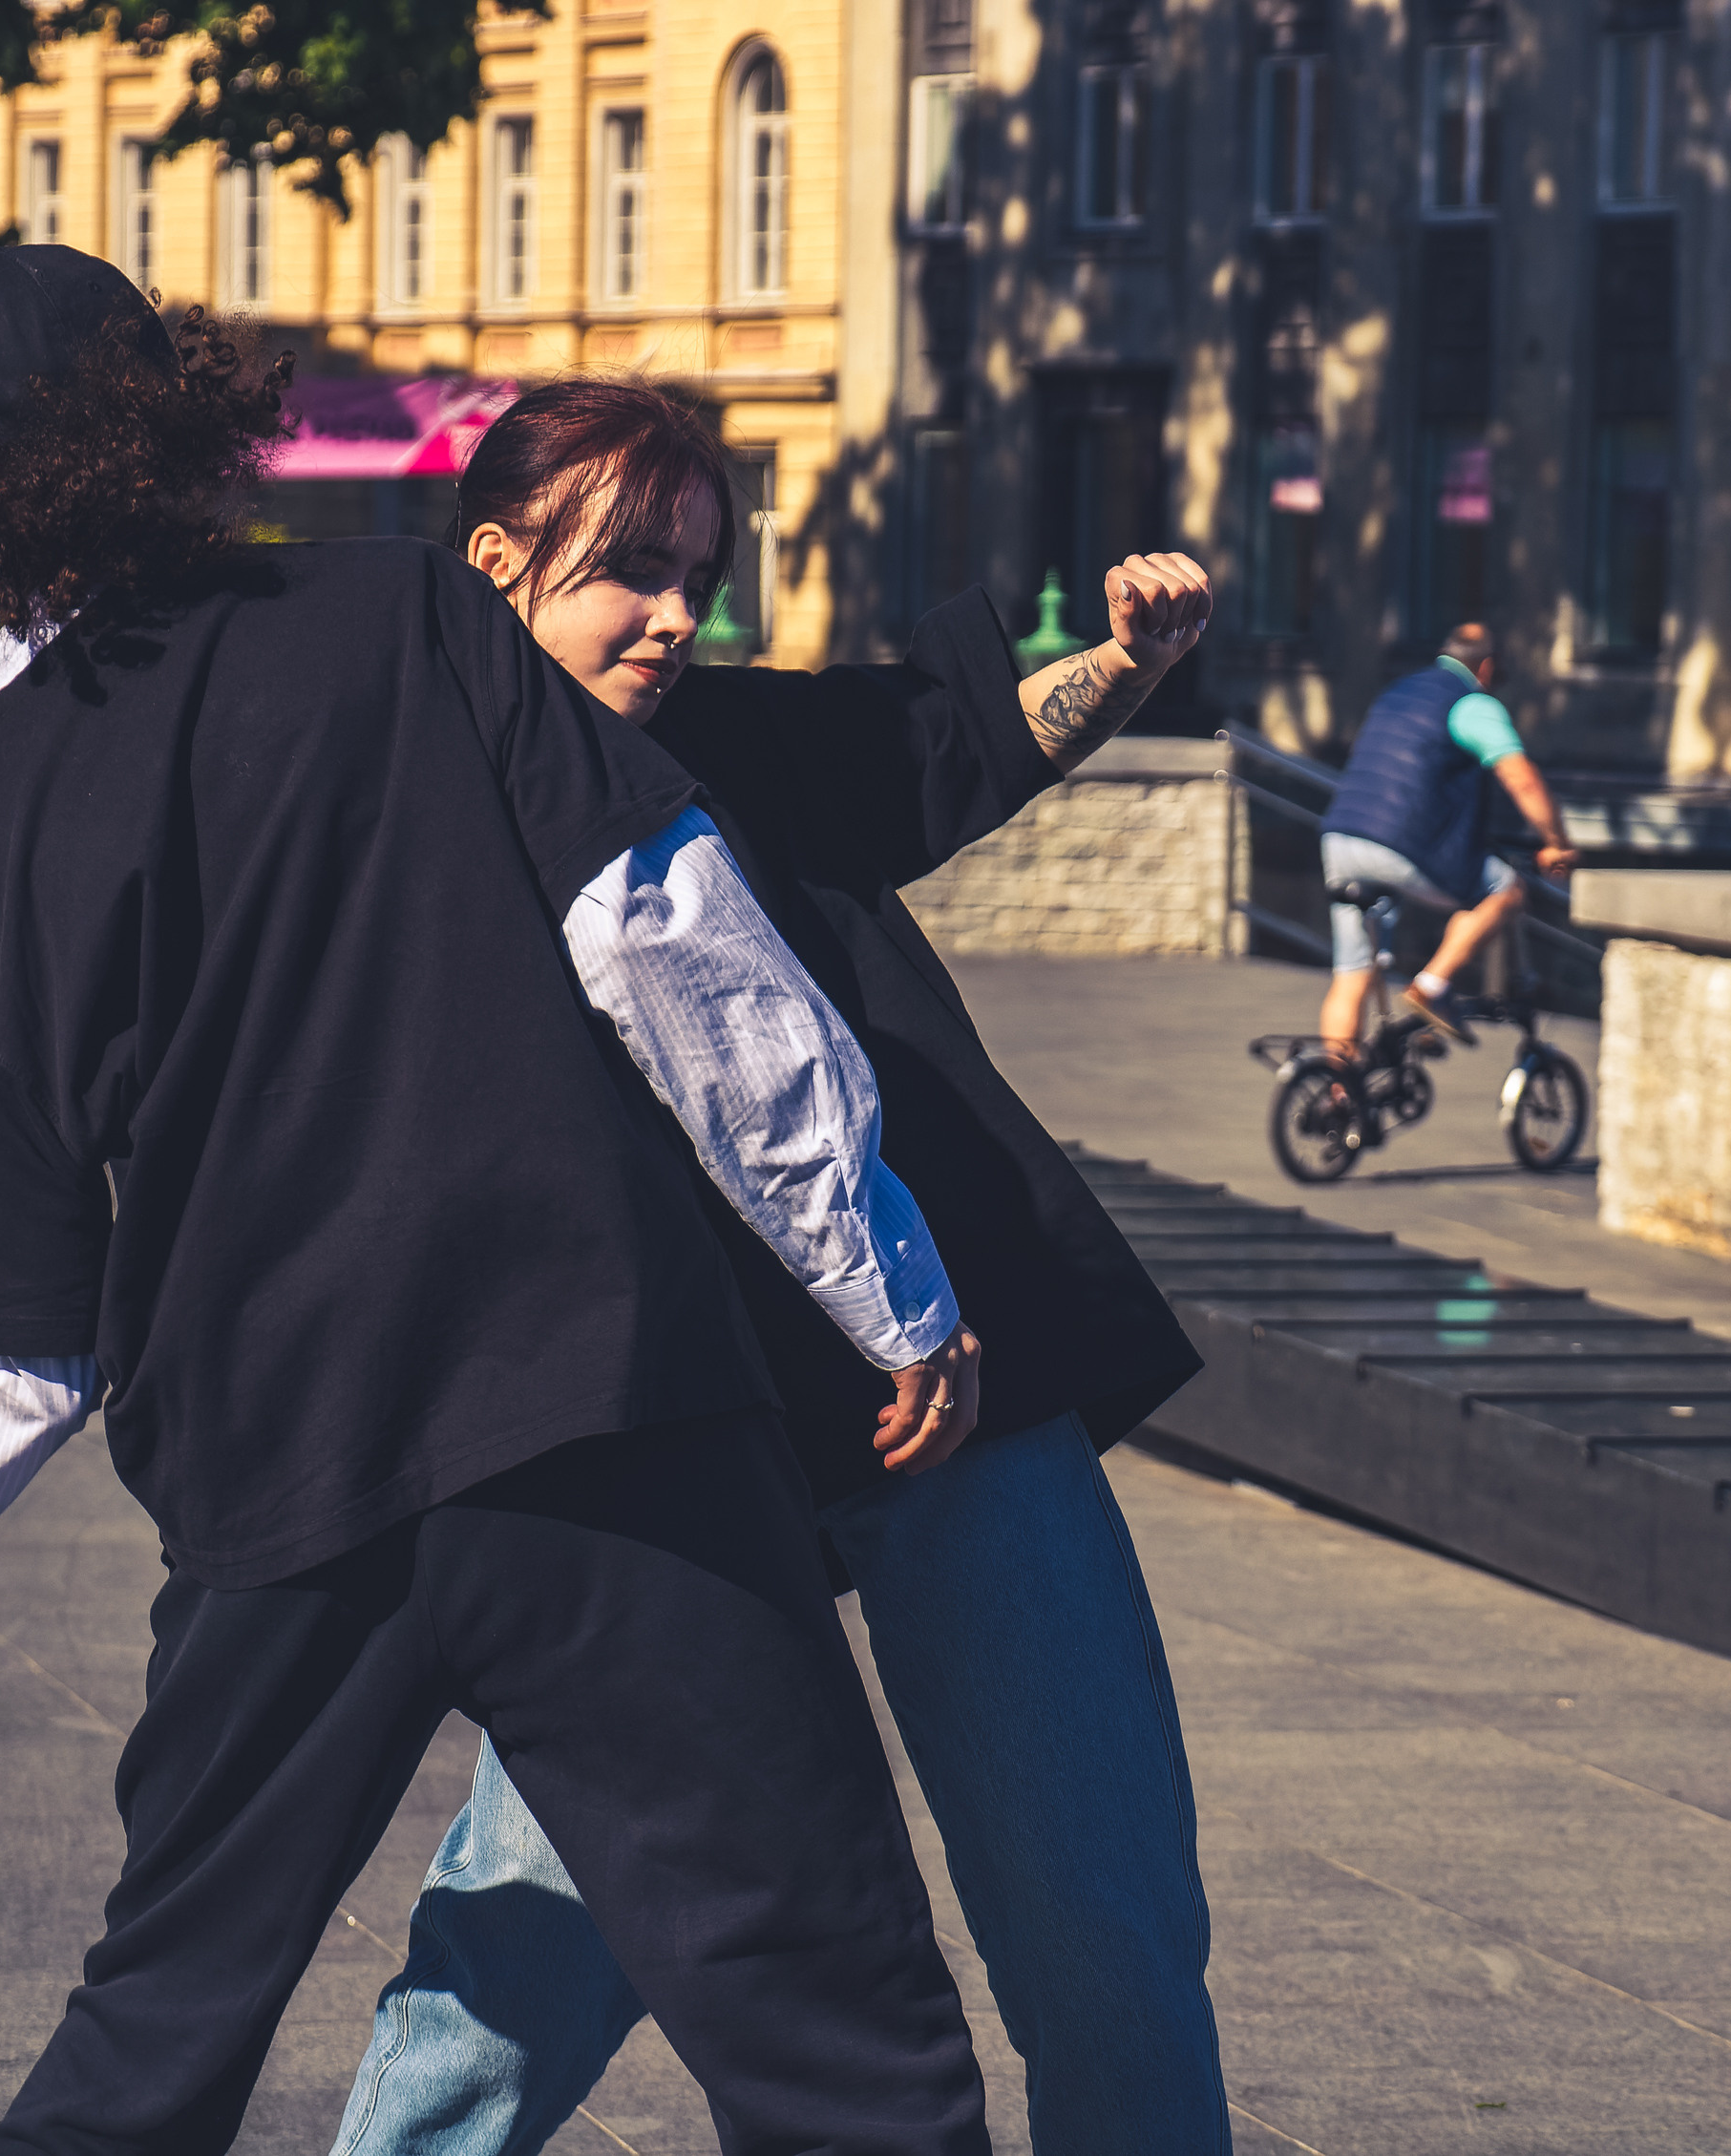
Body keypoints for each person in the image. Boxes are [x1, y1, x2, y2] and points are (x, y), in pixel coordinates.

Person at [0, 247, 999, 2156]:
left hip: (277, 1488)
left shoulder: (6, 838)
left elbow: (24, 1339)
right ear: (168, 427)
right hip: (601, 1421)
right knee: (836, 2026)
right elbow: (675, 943)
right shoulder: (406, 613)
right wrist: (886, 1284)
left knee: (157, 2023)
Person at [325, 378, 1231, 2156]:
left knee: (1101, 1919)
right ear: (498, 560)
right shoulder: (392, 815)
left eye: (699, 575)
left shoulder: (719, 740)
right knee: (525, 1945)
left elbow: (934, 751)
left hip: (960, 1403)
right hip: (659, 1454)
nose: (676, 616)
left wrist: (1125, 660)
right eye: (632, 573)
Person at [1319, 623, 1578, 1056]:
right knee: (1505, 889)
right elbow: (1520, 778)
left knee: (1352, 972)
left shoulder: (1398, 691)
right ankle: (1432, 986)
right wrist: (1555, 841)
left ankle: (1336, 1088)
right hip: (1401, 842)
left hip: (1342, 837)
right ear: (1488, 667)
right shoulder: (1472, 702)